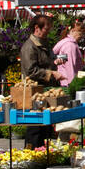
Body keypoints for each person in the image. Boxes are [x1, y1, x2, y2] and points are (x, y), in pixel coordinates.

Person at [19, 15, 60, 148]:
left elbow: (45, 63)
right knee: (35, 128)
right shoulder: (29, 47)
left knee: (44, 128)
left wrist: (54, 63)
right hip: (34, 93)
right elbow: (31, 71)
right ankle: (31, 154)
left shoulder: (43, 44)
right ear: (37, 28)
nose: (47, 33)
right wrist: (51, 73)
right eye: (46, 30)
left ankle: (43, 156)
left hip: (45, 91)